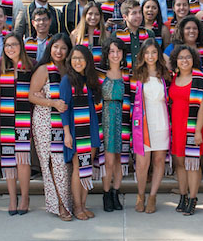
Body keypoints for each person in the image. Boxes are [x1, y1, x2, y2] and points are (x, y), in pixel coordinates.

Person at [29, 34, 74, 220]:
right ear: (50, 48)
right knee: (52, 164)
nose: (59, 51)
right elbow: (31, 96)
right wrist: (52, 103)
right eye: (56, 47)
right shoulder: (44, 69)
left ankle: (67, 201)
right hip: (45, 121)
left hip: (65, 122)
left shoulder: (70, 69)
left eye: (63, 48)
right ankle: (59, 205)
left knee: (64, 164)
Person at [0, 33, 35, 216]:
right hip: (6, 116)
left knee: (23, 160)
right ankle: (12, 197)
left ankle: (25, 197)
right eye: (7, 45)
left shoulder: (31, 65)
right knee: (9, 160)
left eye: (14, 44)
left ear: (21, 46)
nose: (11, 48)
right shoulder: (0, 64)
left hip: (25, 116)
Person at [61, 46, 103, 220]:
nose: (77, 61)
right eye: (74, 58)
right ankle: (77, 207)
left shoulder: (91, 80)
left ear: (88, 61)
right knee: (79, 168)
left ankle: (84, 205)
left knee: (88, 167)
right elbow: (63, 109)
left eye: (81, 58)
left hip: (92, 128)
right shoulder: (67, 80)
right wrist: (67, 134)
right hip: (77, 130)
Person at [130, 38, 171, 214]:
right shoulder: (137, 75)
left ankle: (153, 196)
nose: (151, 56)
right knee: (142, 164)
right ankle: (141, 195)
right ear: (142, 55)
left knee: (159, 160)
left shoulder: (166, 75)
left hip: (161, 122)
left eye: (154, 52)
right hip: (143, 124)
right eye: (147, 52)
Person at [168, 44, 203, 216]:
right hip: (176, 126)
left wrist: (198, 130)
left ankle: (192, 198)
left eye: (188, 57)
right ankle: (183, 195)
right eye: (181, 57)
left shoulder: (200, 78)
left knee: (192, 164)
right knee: (179, 163)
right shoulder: (173, 77)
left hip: (193, 126)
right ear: (176, 61)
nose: (185, 60)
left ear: (193, 60)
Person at [99, 38, 130, 213]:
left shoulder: (127, 74)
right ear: (107, 54)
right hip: (106, 117)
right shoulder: (100, 74)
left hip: (122, 118)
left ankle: (115, 192)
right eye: (112, 51)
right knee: (109, 161)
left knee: (119, 159)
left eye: (118, 51)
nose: (115, 54)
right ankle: (106, 194)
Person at [112, 0, 154, 69]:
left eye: (140, 12)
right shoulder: (117, 35)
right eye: (134, 13)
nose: (138, 16)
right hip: (125, 74)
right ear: (125, 17)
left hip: (144, 74)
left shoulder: (148, 34)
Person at [72, 2, 105, 66]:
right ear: (84, 15)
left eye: (97, 14)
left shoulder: (106, 34)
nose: (93, 17)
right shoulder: (75, 35)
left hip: (100, 73)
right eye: (90, 14)